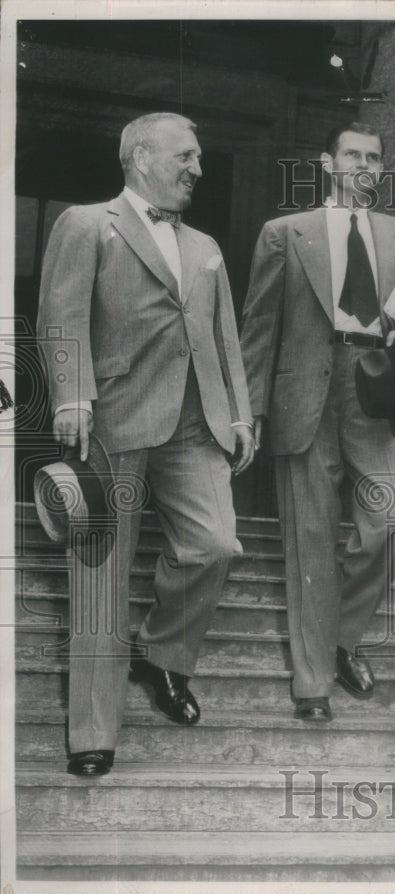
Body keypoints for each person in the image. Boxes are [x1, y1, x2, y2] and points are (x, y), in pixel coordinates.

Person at [36, 112, 255, 776]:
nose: (196, 168)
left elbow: (224, 336)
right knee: (100, 579)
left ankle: (162, 657)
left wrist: (241, 414)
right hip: (114, 417)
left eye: (199, 158)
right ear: (139, 156)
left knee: (215, 544)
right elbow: (61, 314)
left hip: (196, 425)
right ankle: (93, 734)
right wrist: (73, 394)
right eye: (184, 156)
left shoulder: (208, 246)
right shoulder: (85, 223)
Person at [241, 121, 395, 721]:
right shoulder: (284, 233)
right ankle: (313, 685)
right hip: (304, 395)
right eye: (352, 154)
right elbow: (259, 328)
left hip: (374, 392)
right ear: (328, 162)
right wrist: (249, 413)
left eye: (373, 158)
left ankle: (341, 638)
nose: (363, 165)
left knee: (389, 525)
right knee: (310, 542)